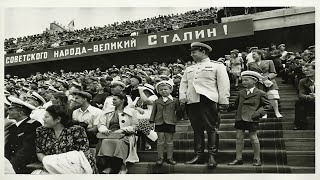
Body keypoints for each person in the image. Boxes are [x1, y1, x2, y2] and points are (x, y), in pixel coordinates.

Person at [179, 42, 230, 168]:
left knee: (211, 129)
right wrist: (182, 97)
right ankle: (199, 154)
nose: (191, 55)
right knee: (197, 130)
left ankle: (212, 156)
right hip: (193, 101)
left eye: (194, 52)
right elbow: (183, 84)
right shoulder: (189, 68)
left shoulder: (217, 66)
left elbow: (223, 84)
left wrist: (224, 101)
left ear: (203, 51)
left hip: (208, 100)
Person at [34, 105, 98, 174]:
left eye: (46, 117)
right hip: (50, 167)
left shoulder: (76, 130)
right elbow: (39, 152)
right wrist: (49, 163)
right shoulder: (41, 131)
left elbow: (82, 154)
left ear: (58, 119)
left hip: (76, 168)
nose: (43, 119)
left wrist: (59, 163)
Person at [227, 71, 272, 166]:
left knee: (253, 137)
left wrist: (257, 114)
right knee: (239, 137)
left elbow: (268, 106)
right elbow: (235, 105)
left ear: (254, 81)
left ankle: (257, 158)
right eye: (243, 80)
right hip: (240, 118)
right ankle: (238, 158)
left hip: (252, 118)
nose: (243, 82)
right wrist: (226, 107)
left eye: (246, 80)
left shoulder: (260, 93)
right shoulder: (241, 92)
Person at [97, 93, 139, 174]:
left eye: (115, 99)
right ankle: (109, 166)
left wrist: (123, 130)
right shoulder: (108, 111)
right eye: (113, 99)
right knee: (106, 141)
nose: (113, 101)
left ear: (122, 100)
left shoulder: (132, 111)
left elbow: (135, 126)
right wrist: (104, 130)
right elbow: (101, 124)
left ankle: (123, 167)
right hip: (110, 135)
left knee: (119, 142)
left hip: (126, 135)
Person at [5, 96, 42, 174]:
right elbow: (7, 148)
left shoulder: (33, 125)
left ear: (20, 113)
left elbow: (26, 150)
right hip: (11, 164)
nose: (8, 112)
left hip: (23, 165)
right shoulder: (13, 127)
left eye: (11, 110)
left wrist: (10, 166)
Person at [150, 81, 182, 165]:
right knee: (160, 140)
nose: (163, 91)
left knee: (169, 141)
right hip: (159, 122)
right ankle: (160, 158)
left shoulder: (175, 100)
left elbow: (179, 111)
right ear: (158, 91)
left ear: (170, 90)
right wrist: (151, 121)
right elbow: (153, 112)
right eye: (161, 90)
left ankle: (169, 157)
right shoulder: (157, 101)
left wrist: (176, 119)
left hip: (170, 122)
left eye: (165, 89)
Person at [248, 49, 283, 119]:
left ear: (259, 54)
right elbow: (249, 74)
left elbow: (274, 73)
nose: (253, 56)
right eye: (252, 55)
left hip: (269, 82)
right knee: (261, 99)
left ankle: (277, 112)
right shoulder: (250, 64)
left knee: (273, 97)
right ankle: (264, 113)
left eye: (254, 54)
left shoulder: (269, 62)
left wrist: (267, 77)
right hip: (258, 83)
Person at [293, 62, 315, 130]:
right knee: (299, 103)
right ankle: (300, 124)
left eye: (308, 70)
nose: (305, 72)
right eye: (305, 70)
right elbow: (301, 94)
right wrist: (309, 97)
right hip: (310, 101)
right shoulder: (302, 81)